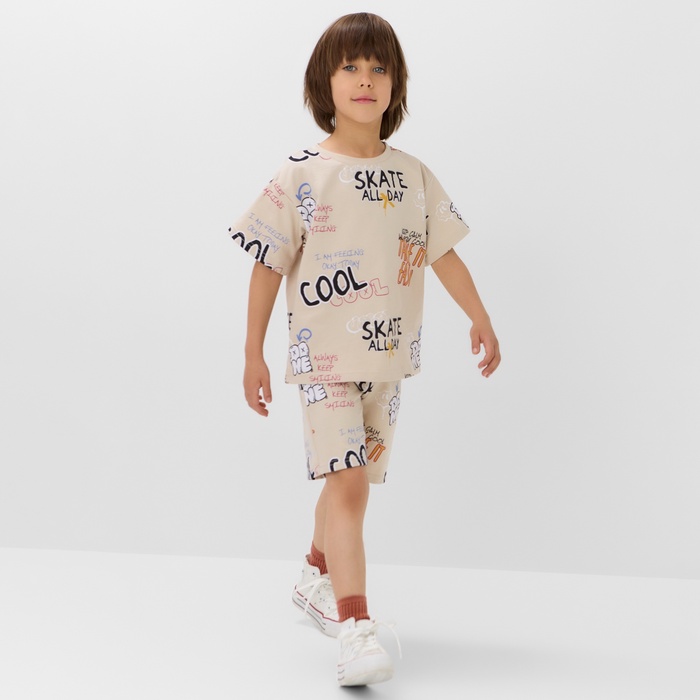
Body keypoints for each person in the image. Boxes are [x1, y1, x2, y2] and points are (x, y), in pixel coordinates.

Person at [227, 12, 500, 687]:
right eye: (350, 67)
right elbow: (266, 264)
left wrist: (480, 316)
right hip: (322, 361)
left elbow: (443, 253)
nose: (365, 79)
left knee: (350, 481)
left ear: (396, 84)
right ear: (325, 81)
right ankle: (355, 629)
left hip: (387, 360)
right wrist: (253, 353)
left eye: (379, 68)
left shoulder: (414, 176)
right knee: (347, 481)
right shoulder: (300, 176)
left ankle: (314, 576)